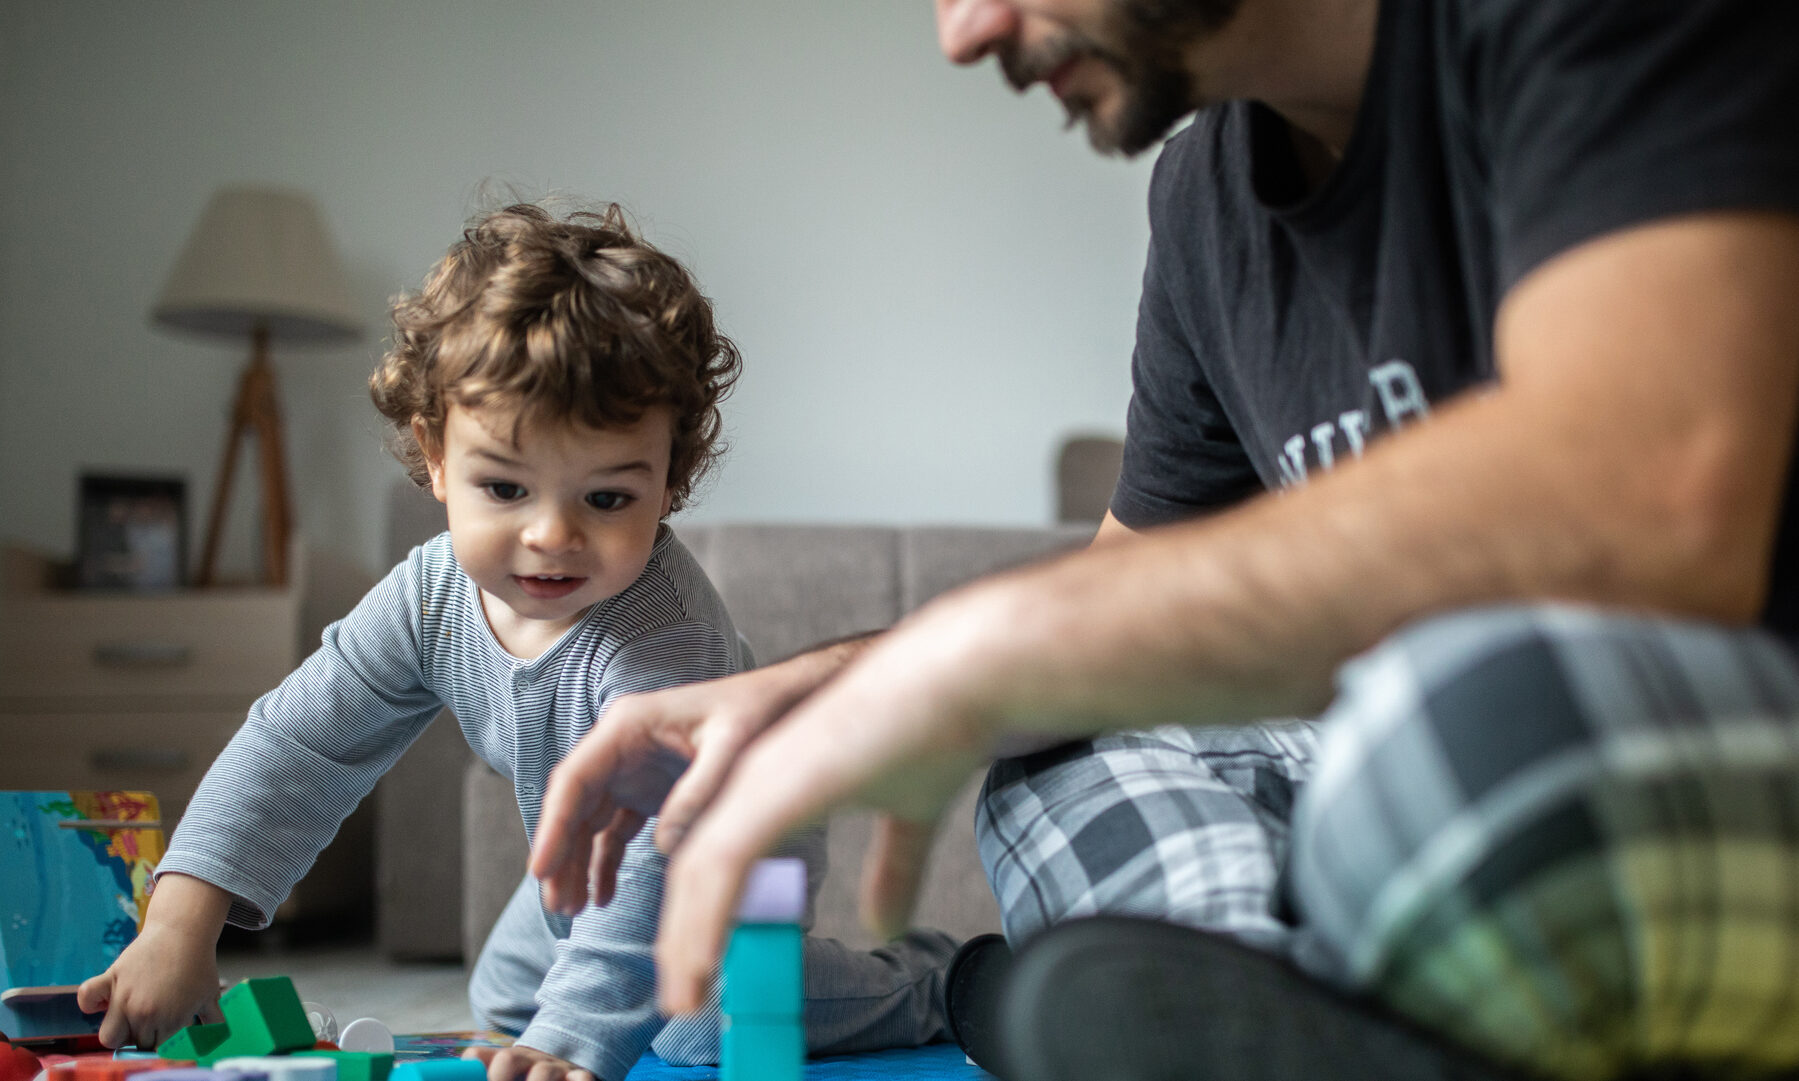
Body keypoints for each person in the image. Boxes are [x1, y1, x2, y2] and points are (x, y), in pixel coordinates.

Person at [531, 2, 1799, 1079]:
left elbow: (1651, 488)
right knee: (1057, 748)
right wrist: (798, 698)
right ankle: (1272, 1011)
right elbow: (1117, 595)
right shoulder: (1201, 199)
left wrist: (995, 654)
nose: (963, 31)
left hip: (1670, 751)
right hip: (1427, 832)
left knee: (1459, 695)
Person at [75, 203, 954, 1081]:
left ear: (671, 481)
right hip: (590, 860)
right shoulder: (428, 595)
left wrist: (569, 1045)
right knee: (503, 996)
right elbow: (300, 740)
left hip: (713, 851)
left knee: (696, 1023)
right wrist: (178, 922)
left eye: (606, 498)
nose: (550, 535)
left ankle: (930, 978)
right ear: (433, 456)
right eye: (503, 487)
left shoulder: (663, 640)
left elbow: (657, 851)